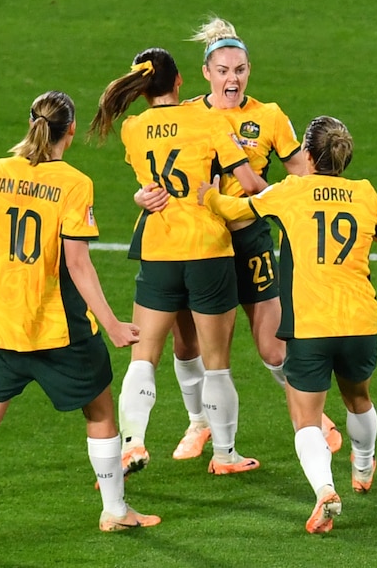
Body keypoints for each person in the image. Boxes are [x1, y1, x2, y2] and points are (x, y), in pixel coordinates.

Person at [0, 91, 160, 553]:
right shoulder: (73, 183)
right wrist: (110, 323)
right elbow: (78, 264)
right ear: (70, 131)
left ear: (31, 123)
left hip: (0, 325)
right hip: (57, 328)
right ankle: (114, 511)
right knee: (101, 411)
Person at [135, 18, 343, 462]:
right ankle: (199, 425)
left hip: (248, 237)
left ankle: (315, 417)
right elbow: (153, 169)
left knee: (271, 344)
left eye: (241, 69)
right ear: (206, 73)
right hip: (198, 242)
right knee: (187, 343)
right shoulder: (188, 113)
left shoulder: (268, 116)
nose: (233, 78)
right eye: (225, 70)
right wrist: (141, 195)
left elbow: (300, 180)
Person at [198, 115, 377, 534]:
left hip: (311, 326)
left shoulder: (291, 192)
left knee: (307, 419)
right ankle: (363, 467)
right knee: (358, 398)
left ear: (307, 155)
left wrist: (209, 196)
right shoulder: (364, 193)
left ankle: (325, 490)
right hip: (360, 321)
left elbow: (239, 208)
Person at [88, 47, 265, 478]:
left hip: (159, 250)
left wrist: (140, 197)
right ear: (181, 80)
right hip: (208, 249)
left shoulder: (133, 128)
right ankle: (224, 455)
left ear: (143, 88)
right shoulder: (210, 122)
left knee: (143, 358)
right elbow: (249, 184)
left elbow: (149, 186)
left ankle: (131, 444)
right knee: (217, 361)